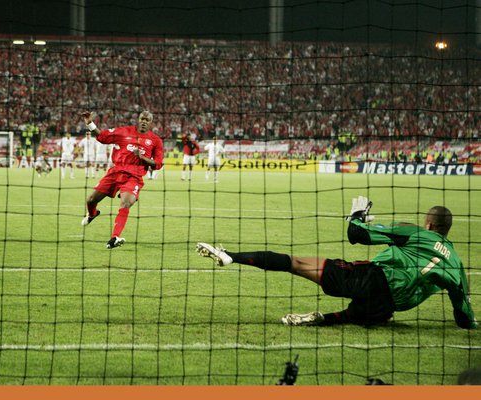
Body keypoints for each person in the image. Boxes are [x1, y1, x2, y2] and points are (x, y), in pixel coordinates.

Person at [196, 196, 477, 329]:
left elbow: (357, 235)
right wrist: (469, 324)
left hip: (372, 278)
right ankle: (320, 318)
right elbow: (464, 316)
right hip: (387, 306)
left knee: (295, 263)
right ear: (447, 229)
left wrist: (356, 215)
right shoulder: (456, 266)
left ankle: (230, 256)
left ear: (428, 223)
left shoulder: (415, 233)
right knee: (353, 316)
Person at [80, 110, 164, 249]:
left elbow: (159, 163)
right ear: (138, 119)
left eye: (147, 120)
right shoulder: (124, 131)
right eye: (142, 119)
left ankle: (115, 237)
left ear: (151, 123)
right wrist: (90, 124)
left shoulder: (155, 141)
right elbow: (103, 136)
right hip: (116, 172)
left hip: (134, 176)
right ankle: (93, 214)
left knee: (125, 203)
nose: (144, 121)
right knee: (91, 200)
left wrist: (142, 158)